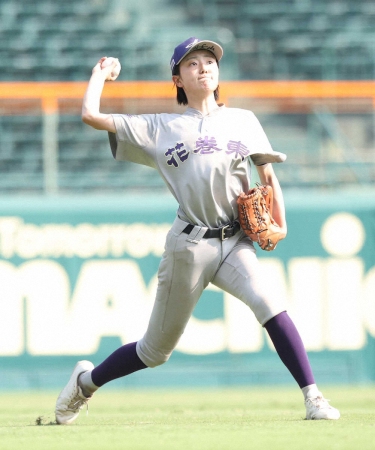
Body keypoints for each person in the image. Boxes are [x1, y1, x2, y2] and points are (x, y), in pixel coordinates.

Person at [55, 37, 340, 424]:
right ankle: (85, 383)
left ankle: (314, 398)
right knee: (154, 352)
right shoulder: (159, 127)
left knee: (270, 304)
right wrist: (99, 75)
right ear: (177, 79)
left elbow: (267, 174)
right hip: (188, 246)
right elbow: (91, 114)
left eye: (209, 60)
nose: (204, 67)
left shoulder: (244, 120)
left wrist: (281, 222)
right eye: (192, 63)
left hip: (235, 240)